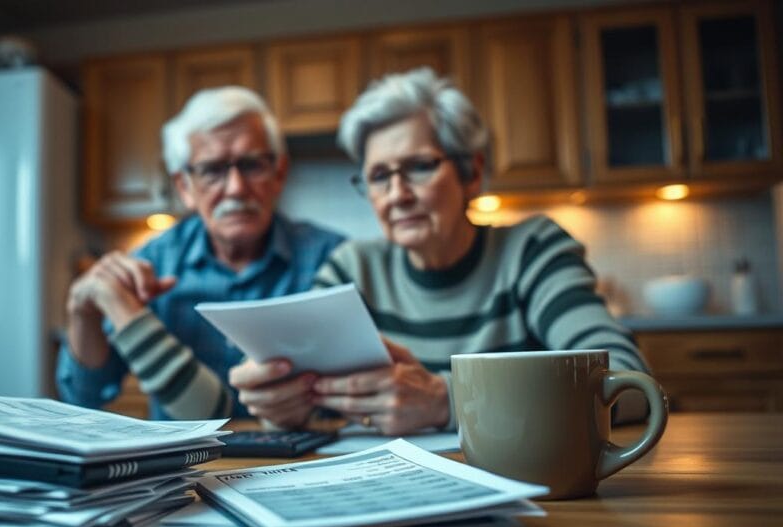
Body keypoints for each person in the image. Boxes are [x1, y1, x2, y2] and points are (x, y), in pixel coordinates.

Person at [230, 67, 649, 435]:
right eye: (378, 176)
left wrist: (447, 401)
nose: (396, 195)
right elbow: (307, 393)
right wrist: (279, 402)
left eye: (419, 167)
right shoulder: (353, 267)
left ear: (472, 173)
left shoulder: (530, 252)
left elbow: (628, 385)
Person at [56, 86, 344, 420]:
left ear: (279, 174)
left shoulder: (332, 257)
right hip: (187, 469)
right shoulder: (151, 264)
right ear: (184, 187)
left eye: (252, 165)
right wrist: (83, 313)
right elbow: (83, 395)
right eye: (212, 170)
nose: (236, 188)